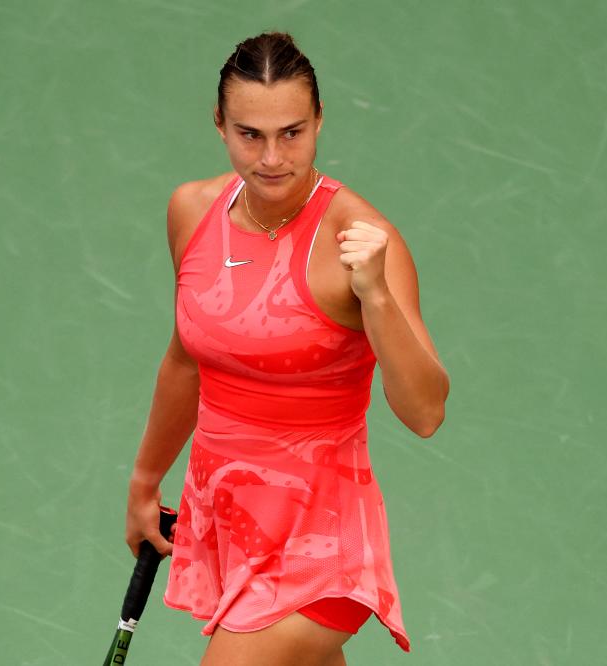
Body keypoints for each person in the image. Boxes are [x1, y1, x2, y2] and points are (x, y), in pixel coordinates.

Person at [125, 32, 449, 666]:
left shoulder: (362, 237)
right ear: (219, 124)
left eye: (292, 133)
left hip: (321, 541)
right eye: (250, 134)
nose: (272, 156)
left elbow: (426, 412)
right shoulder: (192, 211)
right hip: (231, 519)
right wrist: (144, 479)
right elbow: (187, 360)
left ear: (320, 121)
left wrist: (376, 296)